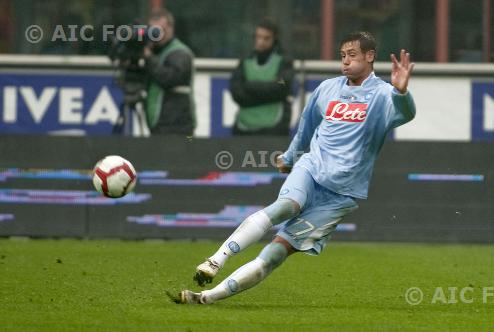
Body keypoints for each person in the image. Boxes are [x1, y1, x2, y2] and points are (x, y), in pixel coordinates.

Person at [171, 31, 416, 304]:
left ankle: (206, 297)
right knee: (286, 206)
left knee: (275, 254)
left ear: (370, 57)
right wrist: (289, 157)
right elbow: (306, 128)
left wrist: (402, 92)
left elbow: (405, 114)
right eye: (342, 56)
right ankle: (216, 260)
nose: (345, 62)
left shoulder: (384, 95)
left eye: (352, 55)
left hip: (341, 194)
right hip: (311, 168)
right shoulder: (327, 89)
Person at [229, 19, 294, 136]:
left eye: (266, 38)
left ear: (275, 39)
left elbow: (282, 84)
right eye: (258, 37)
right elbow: (236, 91)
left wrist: (249, 86)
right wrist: (269, 88)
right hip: (244, 126)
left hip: (274, 127)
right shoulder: (246, 60)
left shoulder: (283, 61)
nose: (261, 42)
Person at [143, 8, 195, 135]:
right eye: (153, 31)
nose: (157, 35)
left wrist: (149, 58)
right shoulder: (154, 51)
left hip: (177, 126)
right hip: (158, 124)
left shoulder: (180, 53)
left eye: (161, 30)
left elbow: (169, 78)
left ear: (171, 28)